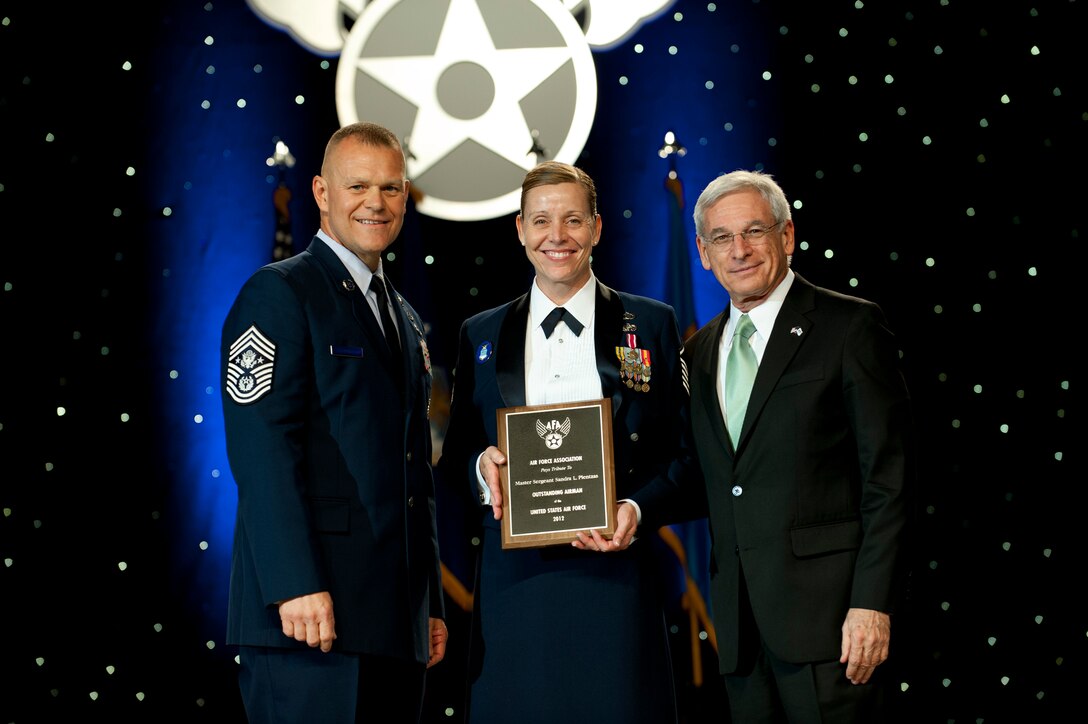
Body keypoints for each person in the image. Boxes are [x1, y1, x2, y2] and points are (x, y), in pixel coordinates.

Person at [438, 161, 694, 723]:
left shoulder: (650, 323)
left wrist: (635, 507)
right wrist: (483, 468)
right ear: (520, 230)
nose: (558, 237)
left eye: (573, 220)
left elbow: (687, 455)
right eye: (542, 222)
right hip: (515, 587)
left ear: (597, 228)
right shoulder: (480, 333)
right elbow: (453, 459)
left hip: (616, 578)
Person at [220, 121, 446, 724]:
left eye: (392, 188)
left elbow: (412, 470)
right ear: (321, 193)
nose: (377, 202)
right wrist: (293, 582)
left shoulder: (403, 316)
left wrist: (426, 602)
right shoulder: (280, 294)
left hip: (393, 622)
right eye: (358, 186)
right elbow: (262, 446)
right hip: (308, 614)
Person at [684, 169, 915, 722]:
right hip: (741, 633)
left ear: (786, 236)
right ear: (703, 252)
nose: (739, 251)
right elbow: (708, 478)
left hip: (832, 627)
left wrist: (871, 603)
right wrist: (629, 507)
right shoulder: (697, 354)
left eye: (754, 232)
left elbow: (890, 479)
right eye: (722, 238)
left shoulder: (849, 326)